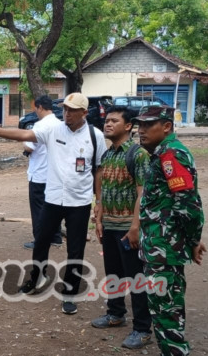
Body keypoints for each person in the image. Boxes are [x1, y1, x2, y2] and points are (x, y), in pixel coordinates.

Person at [0, 92, 107, 315]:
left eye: (72, 110)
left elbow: (99, 169)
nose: (66, 113)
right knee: (41, 241)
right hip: (53, 198)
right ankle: (37, 277)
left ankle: (70, 293)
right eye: (64, 109)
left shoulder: (96, 136)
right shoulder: (52, 129)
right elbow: (25, 133)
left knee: (75, 250)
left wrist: (99, 200)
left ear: (84, 113)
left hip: (79, 202)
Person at [135, 106, 206, 356]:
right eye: (139, 125)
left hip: (165, 248)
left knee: (167, 315)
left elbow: (188, 204)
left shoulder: (171, 155)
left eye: (148, 125)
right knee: (164, 312)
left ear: (166, 126)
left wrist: (194, 240)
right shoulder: (162, 153)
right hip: (159, 246)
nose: (140, 130)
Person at [90, 107, 153, 349]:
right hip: (110, 225)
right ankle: (115, 313)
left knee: (136, 278)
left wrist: (136, 226)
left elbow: (142, 193)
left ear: (128, 126)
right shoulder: (108, 155)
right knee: (114, 273)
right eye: (107, 121)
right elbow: (103, 188)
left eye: (114, 121)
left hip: (129, 228)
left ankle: (142, 328)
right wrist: (99, 215)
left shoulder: (137, 155)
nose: (108, 125)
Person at [22, 95, 63, 250]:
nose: (36, 112)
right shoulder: (60, 125)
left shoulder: (39, 126)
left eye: (36, 109)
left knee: (39, 209)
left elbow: (29, 147)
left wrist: (23, 140)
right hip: (55, 174)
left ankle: (40, 240)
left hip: (39, 173)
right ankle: (56, 237)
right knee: (54, 206)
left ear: (39, 107)